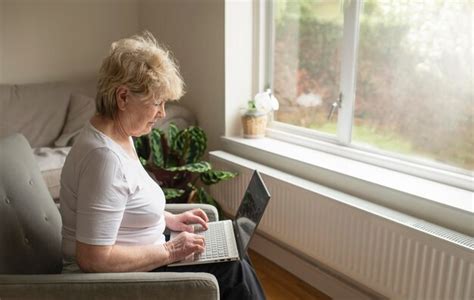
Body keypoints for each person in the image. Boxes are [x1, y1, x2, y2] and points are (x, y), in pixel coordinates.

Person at [59, 31, 265, 299]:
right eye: (157, 102)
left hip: (145, 260)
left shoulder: (120, 135)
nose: (163, 113)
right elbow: (92, 259)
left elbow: (122, 209)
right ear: (123, 98)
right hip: (119, 282)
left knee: (236, 254)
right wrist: (171, 250)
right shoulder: (104, 159)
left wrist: (167, 219)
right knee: (235, 272)